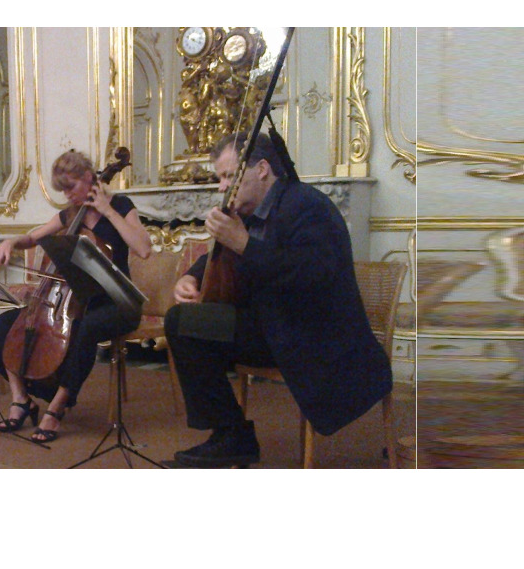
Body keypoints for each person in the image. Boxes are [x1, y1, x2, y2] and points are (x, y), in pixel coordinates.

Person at [164, 131, 393, 467]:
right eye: (220, 178)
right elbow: (221, 253)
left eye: (229, 176)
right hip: (274, 325)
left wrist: (244, 244)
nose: (222, 187)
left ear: (262, 169)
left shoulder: (307, 206)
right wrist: (191, 276)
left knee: (187, 324)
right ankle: (230, 435)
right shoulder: (252, 212)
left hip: (313, 336)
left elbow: (311, 275)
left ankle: (232, 438)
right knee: (185, 322)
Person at [0, 150, 152, 444]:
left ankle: (57, 406)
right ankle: (21, 399)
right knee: (5, 324)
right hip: (77, 301)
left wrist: (107, 211)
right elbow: (33, 237)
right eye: (62, 190)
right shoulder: (70, 214)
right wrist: (10, 242)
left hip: (118, 301)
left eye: (71, 187)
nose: (67, 195)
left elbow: (144, 248)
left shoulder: (121, 206)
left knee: (86, 328)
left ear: (89, 177)